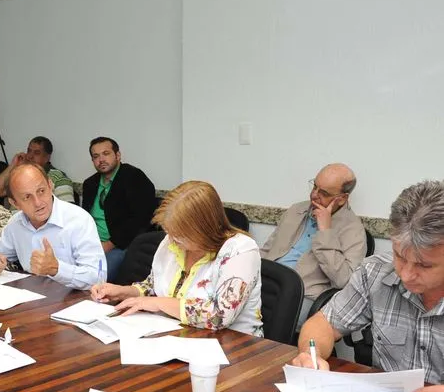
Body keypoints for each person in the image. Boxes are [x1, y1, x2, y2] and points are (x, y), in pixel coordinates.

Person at [292, 180, 444, 392]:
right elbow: (322, 324)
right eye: (399, 256)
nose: (405, 274)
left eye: (424, 265)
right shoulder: (376, 272)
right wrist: (311, 356)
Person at [91, 181, 263, 337]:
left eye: (180, 235)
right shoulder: (171, 242)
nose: (172, 241)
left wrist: (158, 303)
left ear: (204, 229)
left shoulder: (241, 250)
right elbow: (153, 286)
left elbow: (219, 315)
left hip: (236, 350)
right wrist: (122, 291)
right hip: (177, 338)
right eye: (170, 233)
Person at [260, 164, 366, 327]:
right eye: (314, 186)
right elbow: (267, 250)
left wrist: (325, 232)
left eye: (323, 193)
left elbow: (344, 281)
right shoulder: (297, 209)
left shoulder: (354, 230)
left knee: (266, 319)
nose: (314, 195)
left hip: (302, 295)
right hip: (266, 282)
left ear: (342, 198)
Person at [0, 163, 106, 291]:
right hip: (30, 299)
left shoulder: (79, 220)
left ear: (50, 185)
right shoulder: (16, 223)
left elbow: (97, 277)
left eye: (41, 191)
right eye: (27, 197)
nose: (38, 202)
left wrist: (57, 269)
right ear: (14, 203)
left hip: (72, 300)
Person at [82, 137, 156, 282]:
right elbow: (83, 217)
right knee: (66, 271)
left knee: (97, 278)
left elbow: (140, 220)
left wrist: (108, 245)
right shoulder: (90, 184)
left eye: (106, 153)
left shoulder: (134, 178)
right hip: (91, 244)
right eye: (96, 156)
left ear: (118, 155)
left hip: (122, 245)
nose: (101, 159)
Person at [0, 136, 75, 204]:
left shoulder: (59, 179)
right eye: (29, 151)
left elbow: (67, 213)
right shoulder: (20, 176)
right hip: (15, 220)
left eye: (36, 153)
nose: (30, 156)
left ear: (47, 157)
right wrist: (13, 165)